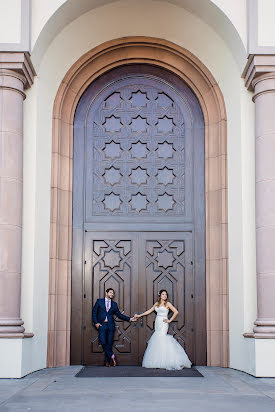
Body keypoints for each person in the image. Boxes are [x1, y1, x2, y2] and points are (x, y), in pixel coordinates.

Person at [136, 289, 192, 370]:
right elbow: (149, 311)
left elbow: (176, 312)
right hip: (158, 322)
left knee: (162, 337)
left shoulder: (168, 303)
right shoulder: (157, 303)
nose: (164, 296)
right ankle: (157, 360)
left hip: (164, 323)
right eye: (163, 294)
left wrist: (169, 320)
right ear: (160, 295)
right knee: (157, 338)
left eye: (166, 294)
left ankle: (165, 361)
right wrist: (139, 315)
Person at [92, 288, 137, 367]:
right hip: (102, 325)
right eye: (110, 292)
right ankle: (112, 355)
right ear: (106, 293)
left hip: (110, 326)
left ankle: (107, 362)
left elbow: (119, 315)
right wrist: (96, 323)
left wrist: (130, 319)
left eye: (113, 293)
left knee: (109, 344)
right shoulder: (99, 301)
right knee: (103, 341)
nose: (112, 294)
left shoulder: (114, 304)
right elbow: (94, 312)